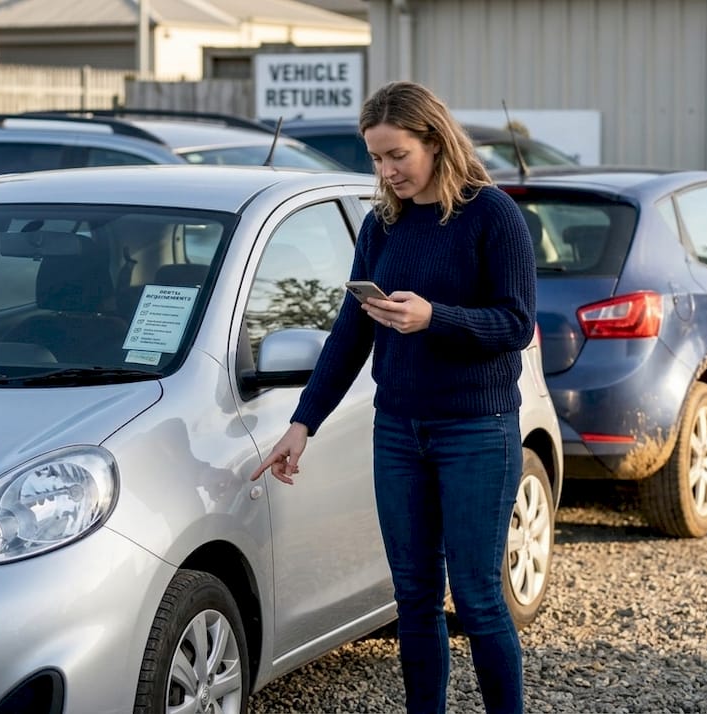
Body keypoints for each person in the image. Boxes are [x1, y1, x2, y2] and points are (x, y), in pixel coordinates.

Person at [250, 81, 537, 714]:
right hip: (399, 432)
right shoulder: (383, 224)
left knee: (478, 594)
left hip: (477, 431)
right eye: (376, 158)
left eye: (397, 155)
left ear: (435, 141)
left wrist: (436, 316)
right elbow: (349, 333)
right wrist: (304, 423)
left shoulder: (493, 215)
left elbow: (516, 324)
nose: (385, 171)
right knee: (412, 597)